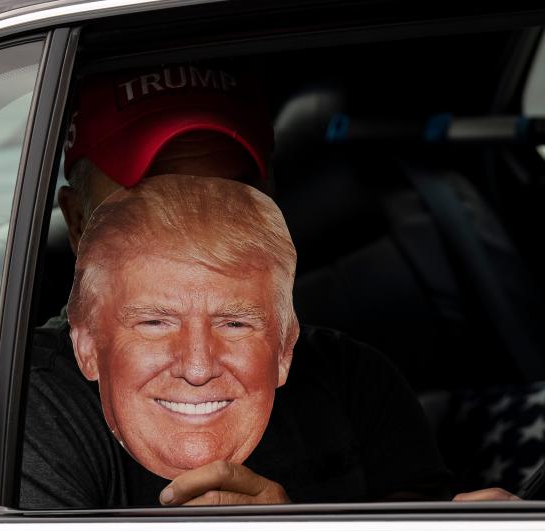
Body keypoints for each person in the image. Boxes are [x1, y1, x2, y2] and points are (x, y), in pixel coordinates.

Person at [23, 174, 451, 507]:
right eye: (154, 188)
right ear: (79, 221)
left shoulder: (351, 376)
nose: (197, 366)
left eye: (230, 187)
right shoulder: (24, 409)